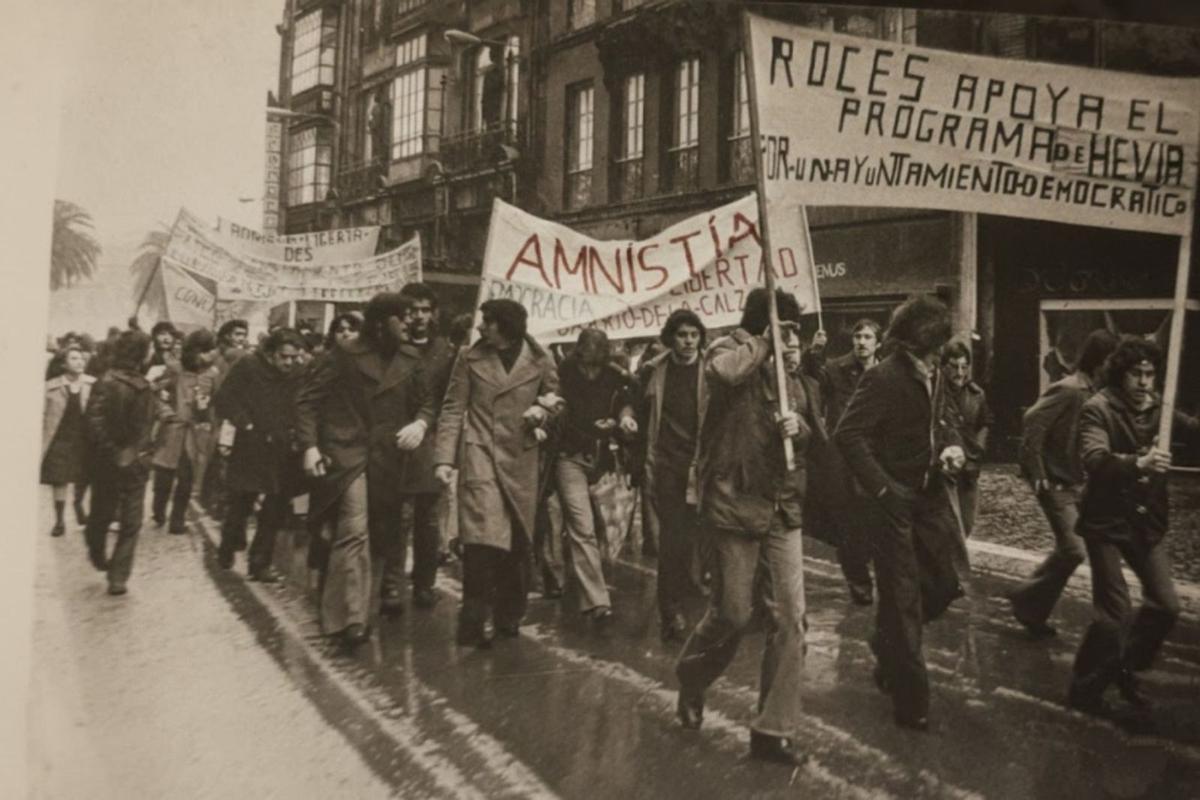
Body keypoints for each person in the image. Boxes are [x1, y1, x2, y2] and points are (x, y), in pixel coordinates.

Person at [674, 288, 823, 767]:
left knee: (790, 619)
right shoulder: (726, 351)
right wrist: (764, 345)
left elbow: (809, 434)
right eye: (787, 328)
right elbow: (724, 374)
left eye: (795, 333)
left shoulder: (793, 378)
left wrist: (794, 428)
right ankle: (693, 677)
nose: (792, 340)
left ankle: (771, 730)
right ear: (765, 326)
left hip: (782, 506)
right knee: (733, 614)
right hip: (735, 502)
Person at [834, 295, 964, 733]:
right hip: (891, 502)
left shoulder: (939, 373)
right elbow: (848, 435)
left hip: (929, 497)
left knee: (945, 585)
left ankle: (883, 642)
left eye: (938, 351)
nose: (936, 359)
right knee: (903, 598)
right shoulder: (882, 378)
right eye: (929, 351)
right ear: (912, 346)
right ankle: (912, 702)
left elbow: (942, 420)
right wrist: (885, 489)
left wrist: (950, 446)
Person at [1068, 337, 1200, 717]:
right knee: (1114, 614)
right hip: (1106, 520)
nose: (1144, 382)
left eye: (1150, 374)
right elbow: (1095, 458)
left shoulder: (1162, 404)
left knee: (1166, 604)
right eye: (1136, 374)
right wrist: (1138, 463)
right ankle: (1085, 684)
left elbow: (1192, 429)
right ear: (1119, 374)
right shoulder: (1098, 408)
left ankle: (1124, 668)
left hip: (1145, 520)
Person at [295, 293, 432, 651]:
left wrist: (420, 423)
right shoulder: (343, 354)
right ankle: (350, 620)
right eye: (400, 318)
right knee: (353, 529)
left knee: (380, 535)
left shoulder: (412, 358)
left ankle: (353, 607)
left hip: (390, 460)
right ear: (379, 323)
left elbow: (427, 401)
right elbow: (308, 401)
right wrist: (310, 447)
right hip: (348, 453)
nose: (409, 323)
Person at [434, 299, 560, 648]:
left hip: (521, 459)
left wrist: (542, 411)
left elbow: (555, 398)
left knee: (517, 544)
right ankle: (472, 622)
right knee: (481, 542)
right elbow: (452, 408)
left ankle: (508, 615)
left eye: (487, 322)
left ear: (505, 326)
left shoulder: (541, 358)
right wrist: (445, 458)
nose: (480, 328)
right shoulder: (468, 358)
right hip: (480, 453)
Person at [1010, 329, 1117, 638]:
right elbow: (1032, 422)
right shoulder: (1069, 389)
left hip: (1080, 484)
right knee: (1073, 549)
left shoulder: (1099, 393)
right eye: (1111, 360)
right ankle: (1027, 598)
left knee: (1080, 549)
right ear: (1099, 360)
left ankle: (1029, 605)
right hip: (1056, 483)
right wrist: (1036, 471)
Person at [635, 310, 709, 642]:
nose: (688, 341)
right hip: (666, 465)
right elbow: (637, 410)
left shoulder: (713, 370)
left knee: (701, 535)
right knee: (671, 539)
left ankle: (693, 591)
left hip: (704, 466)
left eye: (694, 335)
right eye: (682, 335)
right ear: (671, 337)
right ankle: (671, 609)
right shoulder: (654, 371)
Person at [553, 328, 635, 623]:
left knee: (605, 526)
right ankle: (597, 600)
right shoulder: (563, 371)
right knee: (581, 525)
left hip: (603, 458)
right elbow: (557, 402)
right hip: (570, 456)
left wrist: (623, 419)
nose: (590, 366)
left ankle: (580, 576)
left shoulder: (615, 375)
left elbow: (626, 400)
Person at [214, 328, 307, 582]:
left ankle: (259, 563)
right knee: (242, 501)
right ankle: (228, 542)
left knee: (274, 508)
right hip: (251, 445)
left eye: (293, 357)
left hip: (283, 447)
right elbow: (224, 398)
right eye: (283, 357)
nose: (289, 363)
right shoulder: (248, 366)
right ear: (270, 353)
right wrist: (246, 424)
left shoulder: (298, 373)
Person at [807, 318, 882, 606]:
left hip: (876, 456)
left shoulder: (884, 371)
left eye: (867, 337)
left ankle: (872, 570)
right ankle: (859, 581)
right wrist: (815, 351)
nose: (861, 342)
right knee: (849, 523)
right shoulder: (837, 369)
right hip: (844, 458)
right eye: (858, 336)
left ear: (878, 343)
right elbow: (814, 378)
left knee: (876, 519)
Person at [390, 283, 457, 610]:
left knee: (428, 520)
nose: (418, 316)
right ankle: (390, 584)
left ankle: (424, 583)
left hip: (430, 442)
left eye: (424, 310)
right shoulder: (390, 346)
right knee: (396, 517)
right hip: (394, 441)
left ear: (434, 314)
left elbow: (451, 399)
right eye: (412, 310)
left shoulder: (445, 351)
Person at [82, 331, 157, 595]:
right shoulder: (143, 388)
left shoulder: (104, 381)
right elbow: (146, 430)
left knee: (102, 512)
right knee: (130, 521)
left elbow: (93, 421)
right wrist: (139, 454)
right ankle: (118, 576)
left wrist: (109, 450)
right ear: (141, 355)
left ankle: (99, 553)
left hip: (106, 460)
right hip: (132, 460)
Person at [150, 329, 217, 534]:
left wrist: (206, 414)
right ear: (195, 351)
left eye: (211, 351)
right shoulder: (174, 370)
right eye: (205, 351)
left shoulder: (212, 374)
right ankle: (158, 509)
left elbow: (215, 402)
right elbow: (153, 391)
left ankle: (177, 520)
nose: (209, 356)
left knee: (187, 478)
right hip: (172, 431)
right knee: (164, 476)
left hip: (194, 434)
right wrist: (165, 413)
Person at [940, 340, 993, 536]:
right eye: (954, 367)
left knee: (967, 523)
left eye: (964, 367)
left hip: (970, 468)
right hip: (945, 468)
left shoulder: (977, 394)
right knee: (950, 527)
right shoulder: (936, 392)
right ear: (944, 366)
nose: (960, 373)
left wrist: (978, 448)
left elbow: (986, 422)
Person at [41, 345, 95, 536]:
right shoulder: (50, 387)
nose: (79, 361)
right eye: (73, 358)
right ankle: (59, 521)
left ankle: (79, 506)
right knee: (60, 479)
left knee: (85, 476)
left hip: (84, 438)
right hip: (60, 438)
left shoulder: (92, 384)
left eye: (81, 358)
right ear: (64, 364)